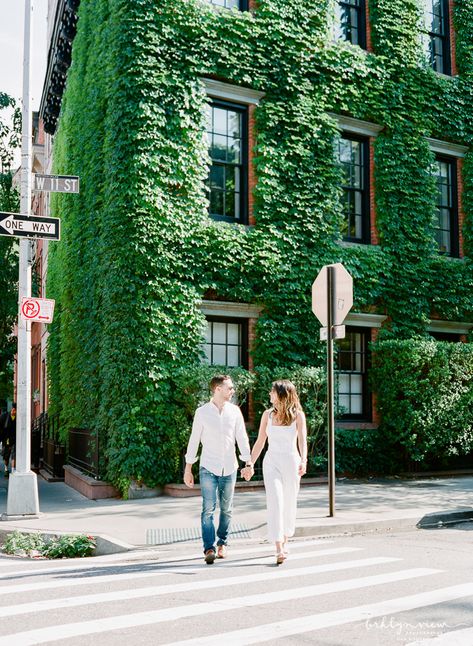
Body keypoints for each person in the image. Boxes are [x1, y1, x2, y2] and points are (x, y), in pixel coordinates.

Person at [184, 375, 253, 565]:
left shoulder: (235, 412)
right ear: (217, 389)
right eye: (229, 388)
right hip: (208, 467)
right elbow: (194, 440)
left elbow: (242, 438)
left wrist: (248, 463)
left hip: (230, 467)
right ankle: (209, 548)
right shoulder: (202, 412)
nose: (232, 391)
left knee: (226, 509)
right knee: (208, 509)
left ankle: (222, 542)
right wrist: (188, 468)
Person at [242, 380, 307, 565]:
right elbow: (261, 441)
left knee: (289, 502)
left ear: (282, 395)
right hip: (272, 463)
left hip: (291, 461)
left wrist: (304, 460)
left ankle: (285, 539)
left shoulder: (298, 416)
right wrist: (250, 464)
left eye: (272, 392)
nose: (270, 394)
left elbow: (302, 440)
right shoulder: (267, 415)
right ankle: (279, 546)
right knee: (276, 501)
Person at [0, 402, 16, 477]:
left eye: (15, 410)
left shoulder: (18, 417)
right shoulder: (4, 416)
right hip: (6, 439)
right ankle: (6, 468)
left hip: (15, 439)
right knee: (6, 455)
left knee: (14, 454)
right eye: (13, 410)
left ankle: (13, 470)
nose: (14, 412)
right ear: (12, 409)